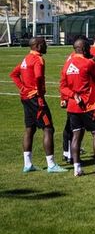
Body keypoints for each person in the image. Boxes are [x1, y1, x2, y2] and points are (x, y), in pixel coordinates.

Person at [60, 38, 95, 177]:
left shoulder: (67, 64)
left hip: (73, 107)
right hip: (89, 105)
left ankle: (77, 168)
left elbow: (62, 87)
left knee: (76, 136)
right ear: (85, 49)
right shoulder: (88, 63)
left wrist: (72, 95)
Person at [9, 37, 66, 173]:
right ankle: (51, 164)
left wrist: (22, 88)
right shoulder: (38, 59)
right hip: (35, 99)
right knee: (48, 128)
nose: (46, 46)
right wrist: (39, 95)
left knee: (30, 129)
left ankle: (27, 164)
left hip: (26, 98)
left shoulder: (26, 58)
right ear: (38, 46)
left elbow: (14, 74)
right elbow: (39, 76)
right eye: (45, 44)